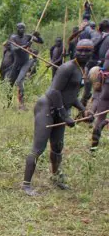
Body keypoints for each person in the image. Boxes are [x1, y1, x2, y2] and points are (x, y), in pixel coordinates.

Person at [22, 39, 91, 196]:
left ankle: (56, 178)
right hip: (47, 107)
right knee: (39, 147)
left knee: (58, 146)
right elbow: (54, 92)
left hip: (61, 109)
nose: (83, 53)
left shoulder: (82, 68)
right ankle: (26, 185)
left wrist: (84, 110)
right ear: (75, 51)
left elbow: (71, 95)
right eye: (81, 50)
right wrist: (65, 115)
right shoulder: (67, 68)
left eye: (87, 51)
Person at [89, 55, 109, 152]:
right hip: (105, 86)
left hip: (105, 87)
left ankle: (93, 149)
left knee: (100, 119)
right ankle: (93, 148)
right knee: (100, 120)